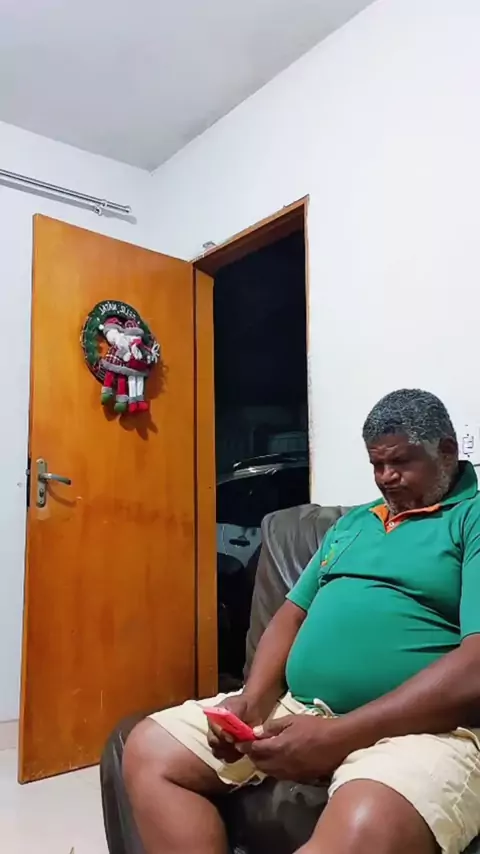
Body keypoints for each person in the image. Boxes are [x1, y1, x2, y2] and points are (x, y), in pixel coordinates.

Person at [123, 389, 480, 854]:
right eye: (376, 464)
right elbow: (292, 615)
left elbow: (475, 666)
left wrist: (339, 737)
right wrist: (251, 700)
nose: (385, 478)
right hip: (300, 709)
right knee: (150, 750)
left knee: (365, 823)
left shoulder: (472, 518)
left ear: (447, 451)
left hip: (424, 731)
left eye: (400, 463)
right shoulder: (353, 524)